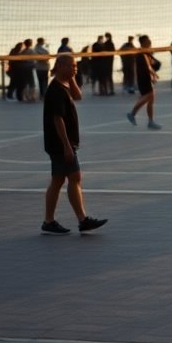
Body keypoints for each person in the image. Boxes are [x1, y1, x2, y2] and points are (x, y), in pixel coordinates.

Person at [41, 54, 107, 235]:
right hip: (60, 143)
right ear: (60, 66)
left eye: (76, 67)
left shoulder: (66, 84)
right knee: (73, 177)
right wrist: (67, 146)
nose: (75, 69)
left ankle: (50, 221)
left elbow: (78, 96)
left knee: (60, 179)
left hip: (63, 143)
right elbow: (57, 119)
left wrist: (72, 78)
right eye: (72, 66)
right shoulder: (55, 89)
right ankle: (80, 220)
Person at [127, 34, 162, 129]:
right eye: (148, 41)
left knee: (151, 99)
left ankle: (150, 122)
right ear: (143, 43)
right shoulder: (141, 53)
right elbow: (148, 67)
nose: (150, 42)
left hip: (146, 78)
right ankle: (132, 113)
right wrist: (154, 75)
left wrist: (153, 74)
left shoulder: (146, 52)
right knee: (149, 97)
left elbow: (151, 65)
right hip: (144, 79)